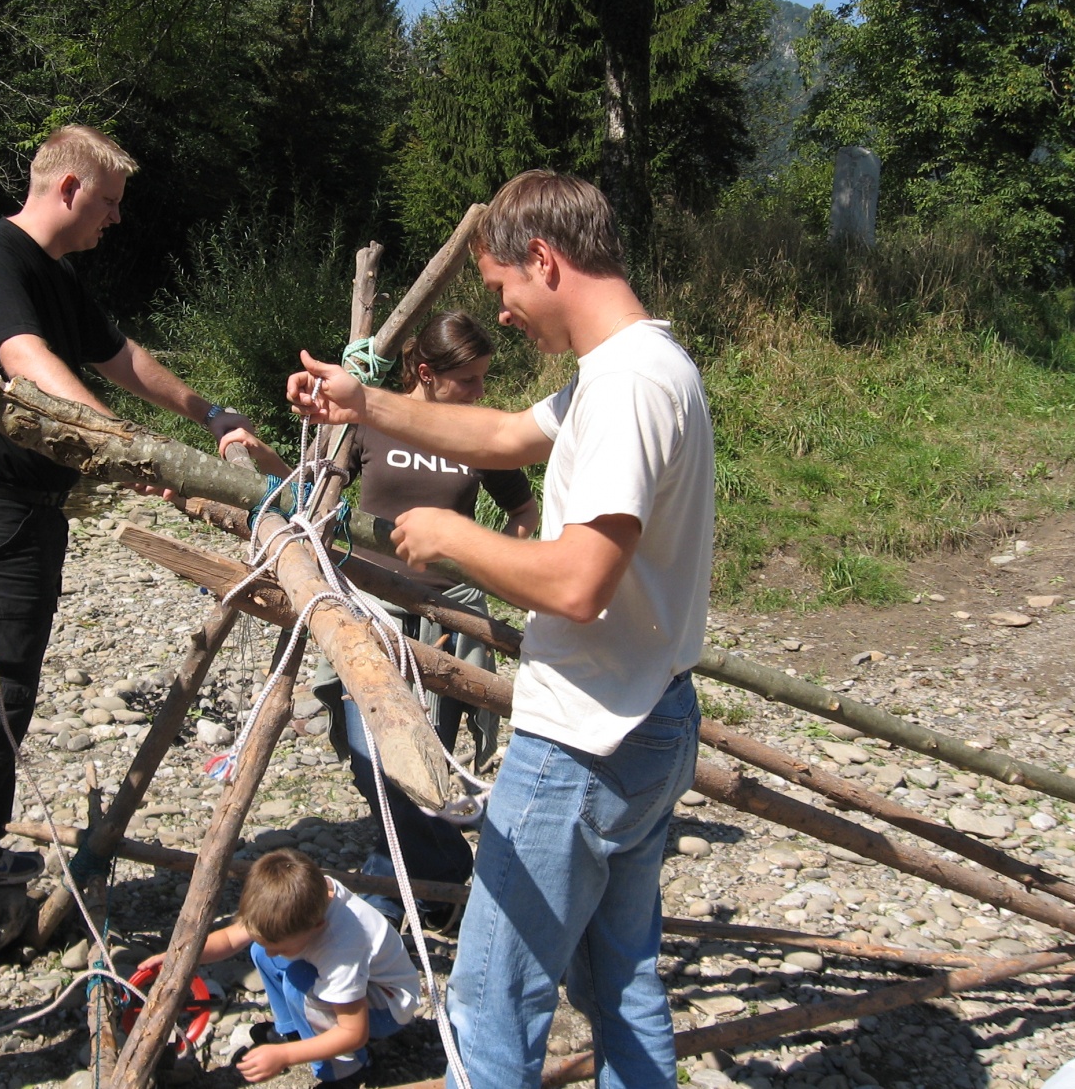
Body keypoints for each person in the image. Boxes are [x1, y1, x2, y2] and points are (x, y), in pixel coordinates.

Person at [288, 169, 714, 1089]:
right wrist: (362, 404)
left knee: (489, 1001)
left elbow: (577, 581)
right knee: (622, 983)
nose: (506, 312)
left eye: (501, 288)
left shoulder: (630, 387)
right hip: (650, 719)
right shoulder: (632, 369)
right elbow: (500, 435)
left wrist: (454, 535)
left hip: (585, 742)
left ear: (545, 260)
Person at [0, 124, 279, 950]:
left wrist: (208, 415)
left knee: (10, 685)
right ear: (66, 188)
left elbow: (123, 358)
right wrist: (123, 447)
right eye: (108, 203)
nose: (115, 220)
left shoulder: (55, 276)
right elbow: (25, 360)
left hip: (30, 509)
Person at [311, 311, 537, 926]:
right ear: (426, 373)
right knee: (372, 752)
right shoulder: (368, 421)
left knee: (427, 756)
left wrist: (492, 565)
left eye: (484, 378)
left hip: (446, 616)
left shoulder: (476, 434)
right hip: (367, 608)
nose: (480, 392)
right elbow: (315, 494)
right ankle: (449, 873)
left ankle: (410, 878)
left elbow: (523, 509)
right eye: (468, 380)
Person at [140, 848, 419, 1085]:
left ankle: (346, 1071)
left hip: (387, 1007)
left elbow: (353, 1032)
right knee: (262, 952)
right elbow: (228, 938)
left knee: (298, 981)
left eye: (282, 945)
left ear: (317, 927)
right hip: (359, 988)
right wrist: (181, 956)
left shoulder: (341, 947)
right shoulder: (301, 899)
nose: (275, 952)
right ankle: (293, 1032)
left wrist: (286, 1058)